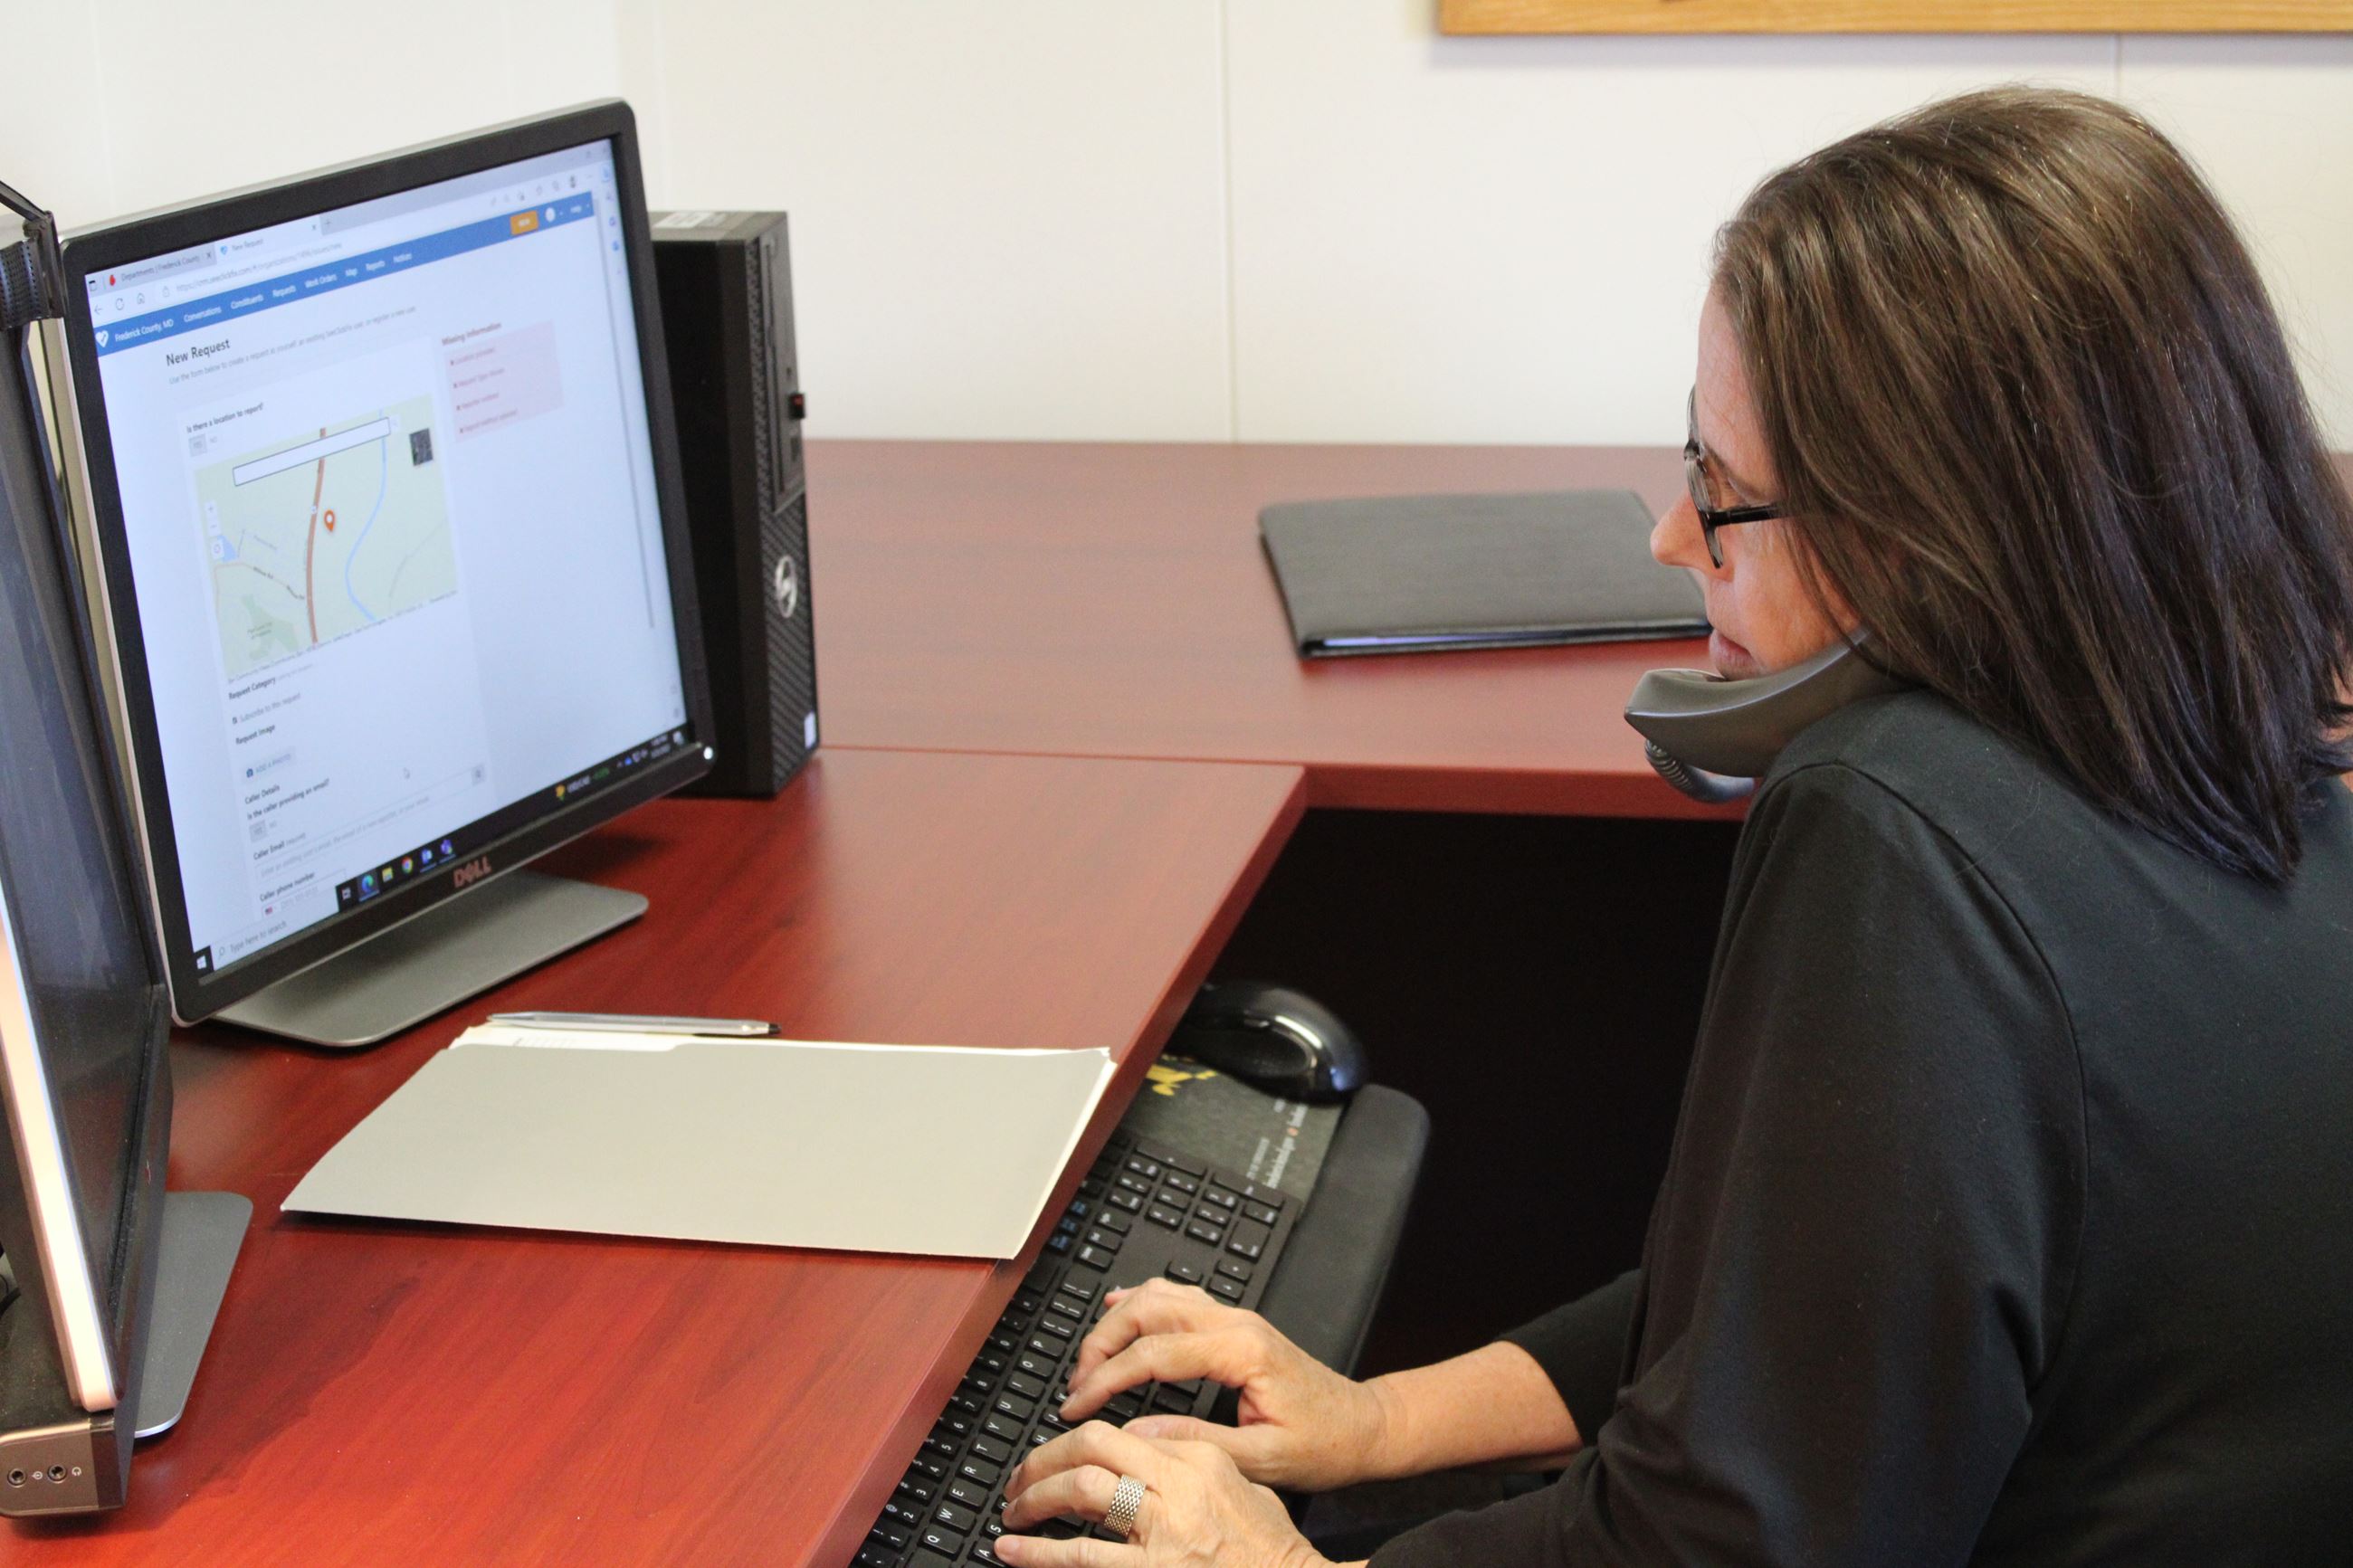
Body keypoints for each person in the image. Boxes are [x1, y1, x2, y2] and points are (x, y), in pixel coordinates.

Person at [991, 84, 2353, 1567]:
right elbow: (1812, 1318)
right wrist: (1377, 1419)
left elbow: (1732, 1533)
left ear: (1917, 533)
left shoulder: (1898, 820)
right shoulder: (2246, 753)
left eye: (1719, 491)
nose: (1668, 537)